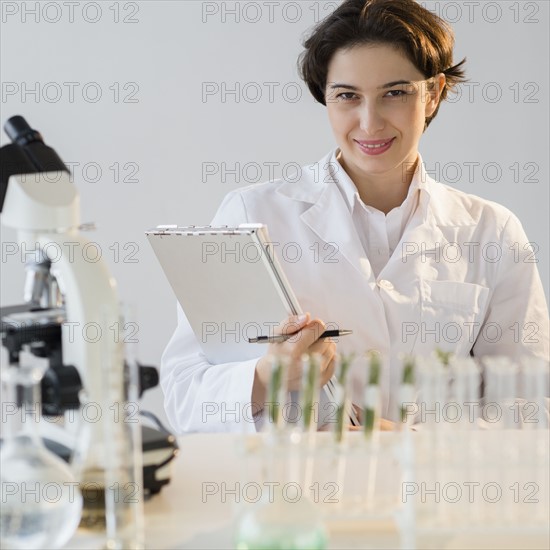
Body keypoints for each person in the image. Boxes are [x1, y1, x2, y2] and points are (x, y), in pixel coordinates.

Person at [161, 0, 549, 434]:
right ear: (325, 97)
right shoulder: (252, 215)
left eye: (395, 93)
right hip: (295, 494)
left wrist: (415, 443)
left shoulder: (492, 231)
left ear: (434, 93)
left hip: (436, 495)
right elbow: (182, 395)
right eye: (347, 96)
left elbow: (531, 402)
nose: (370, 122)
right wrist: (266, 377)